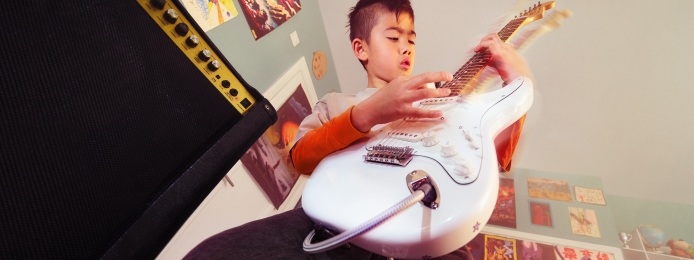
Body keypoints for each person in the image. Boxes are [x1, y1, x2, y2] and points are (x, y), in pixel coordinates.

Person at [185, 0, 531, 259]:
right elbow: (299, 159)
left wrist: (517, 84)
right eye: (393, 36)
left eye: (412, 38)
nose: (406, 45)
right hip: (326, 225)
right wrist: (365, 115)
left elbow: (491, 160)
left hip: (425, 228)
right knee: (215, 253)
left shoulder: (443, 104)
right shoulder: (336, 104)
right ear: (360, 49)